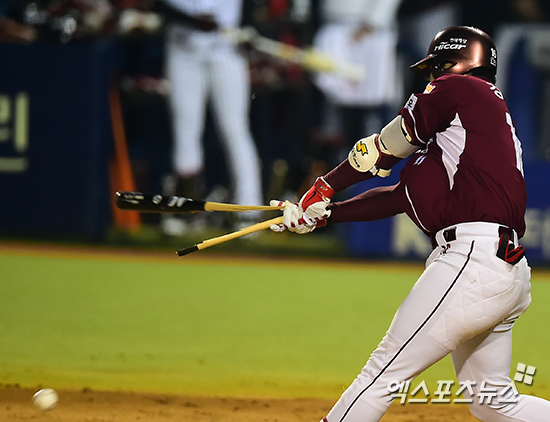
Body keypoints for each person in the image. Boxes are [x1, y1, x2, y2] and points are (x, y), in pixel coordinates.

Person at [271, 26, 550, 422]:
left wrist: (323, 187)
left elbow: (383, 148)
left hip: (472, 261)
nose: (431, 78)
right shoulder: (466, 132)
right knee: (493, 402)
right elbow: (398, 195)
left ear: (455, 63)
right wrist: (324, 215)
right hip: (502, 268)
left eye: (436, 67)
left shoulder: (458, 89)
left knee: (381, 374)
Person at [156, 0, 263, 235]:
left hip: (226, 48)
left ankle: (250, 213)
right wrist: (190, 20)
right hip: (184, 47)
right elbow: (160, 4)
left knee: (235, 129)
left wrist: (249, 27)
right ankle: (187, 211)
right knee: (186, 129)